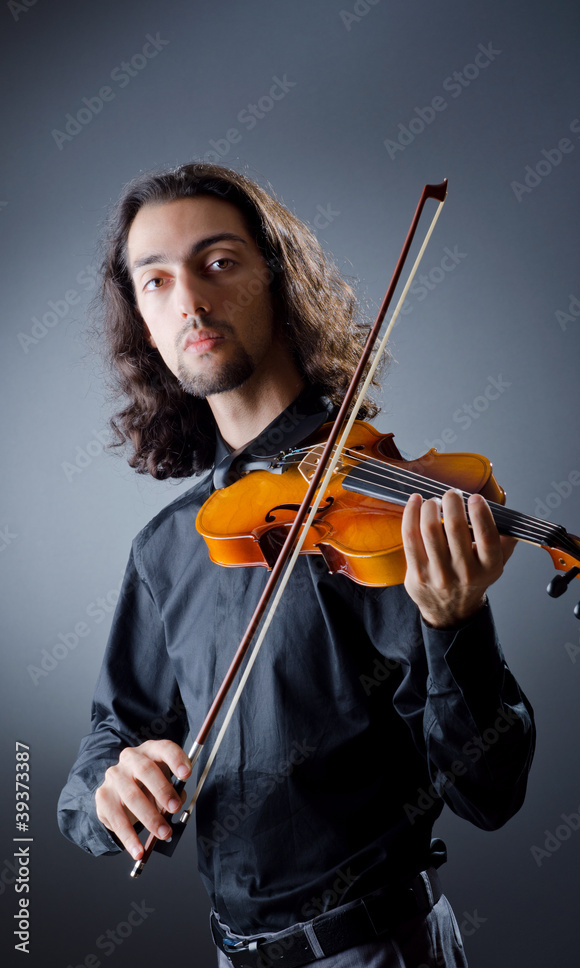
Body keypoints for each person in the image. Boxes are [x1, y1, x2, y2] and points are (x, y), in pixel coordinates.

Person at [58, 163, 535, 967]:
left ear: (279, 281)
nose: (191, 301)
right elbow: (112, 735)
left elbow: (488, 792)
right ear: (144, 324)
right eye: (157, 281)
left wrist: (456, 628)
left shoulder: (382, 512)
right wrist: (107, 790)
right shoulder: (170, 546)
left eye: (218, 263)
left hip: (379, 949)